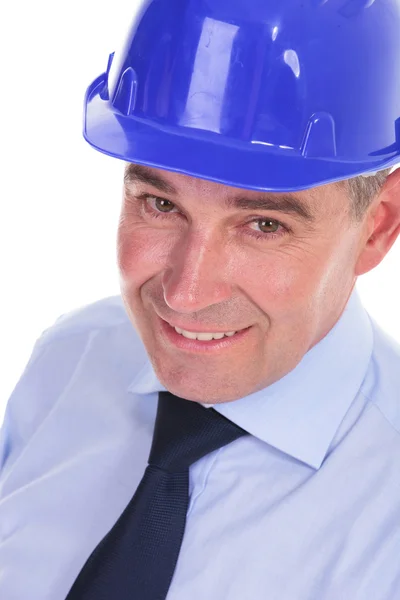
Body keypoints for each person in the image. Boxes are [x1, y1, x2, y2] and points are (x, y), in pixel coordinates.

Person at [1, 0, 400, 598]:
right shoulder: (71, 358)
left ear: (376, 227)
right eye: (160, 205)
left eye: (264, 225)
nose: (185, 295)